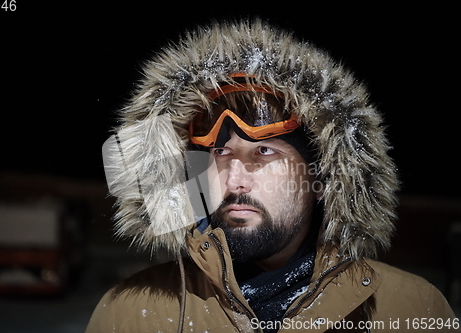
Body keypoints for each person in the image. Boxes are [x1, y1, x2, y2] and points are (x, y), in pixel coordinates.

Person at [87, 20, 459, 332]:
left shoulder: (412, 310)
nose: (234, 181)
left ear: (322, 180)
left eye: (264, 152)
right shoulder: (128, 314)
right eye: (220, 153)